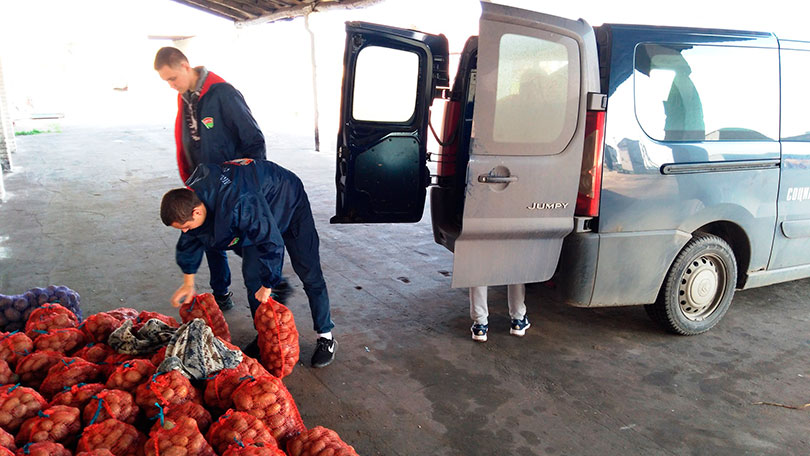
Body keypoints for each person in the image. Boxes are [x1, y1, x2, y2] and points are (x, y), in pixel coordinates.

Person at [154, 46, 294, 312]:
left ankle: (273, 281)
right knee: (208, 238)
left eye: (172, 78)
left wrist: (252, 185)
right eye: (166, 82)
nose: (171, 85)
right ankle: (222, 292)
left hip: (232, 188)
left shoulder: (223, 94)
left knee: (245, 239)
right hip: (202, 184)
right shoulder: (185, 97)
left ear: (185, 66)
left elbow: (253, 139)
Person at [160, 159, 337, 368]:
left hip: (288, 200)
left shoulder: (240, 203)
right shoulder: (193, 199)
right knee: (253, 276)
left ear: (197, 212)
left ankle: (325, 336)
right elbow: (190, 240)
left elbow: (271, 241)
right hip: (258, 206)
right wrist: (188, 282)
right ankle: (264, 335)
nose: (185, 231)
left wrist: (269, 284)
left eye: (186, 226)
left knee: (308, 270)